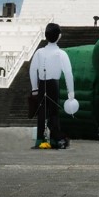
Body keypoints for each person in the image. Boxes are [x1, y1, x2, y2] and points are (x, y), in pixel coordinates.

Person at [29, 22, 78, 150]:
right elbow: (68, 74)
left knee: (41, 113)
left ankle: (40, 140)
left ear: (45, 36)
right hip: (54, 85)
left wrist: (34, 88)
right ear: (59, 36)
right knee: (54, 113)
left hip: (42, 85)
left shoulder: (39, 52)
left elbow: (32, 70)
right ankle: (55, 140)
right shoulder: (61, 54)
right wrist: (71, 93)